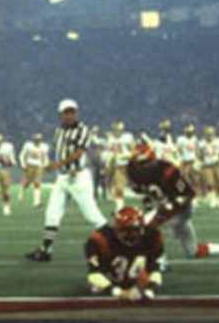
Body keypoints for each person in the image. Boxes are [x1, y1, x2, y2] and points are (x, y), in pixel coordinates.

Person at [126, 140, 219, 268]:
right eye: (138, 164)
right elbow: (147, 195)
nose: (140, 168)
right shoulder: (133, 171)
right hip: (166, 206)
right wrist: (154, 208)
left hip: (181, 209)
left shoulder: (167, 170)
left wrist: (165, 211)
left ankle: (159, 260)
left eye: (143, 164)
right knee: (193, 251)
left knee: (146, 226)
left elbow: (187, 196)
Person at [26, 99, 106, 262]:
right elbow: (60, 151)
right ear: (61, 114)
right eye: (66, 112)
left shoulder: (83, 130)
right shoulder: (59, 131)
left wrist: (57, 164)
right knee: (52, 213)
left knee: (92, 215)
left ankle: (115, 246)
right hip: (62, 177)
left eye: (72, 112)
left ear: (76, 113)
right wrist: (54, 164)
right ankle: (46, 249)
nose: (69, 115)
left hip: (78, 177)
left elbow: (79, 152)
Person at [84, 206, 163, 302]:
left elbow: (155, 269)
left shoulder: (151, 237)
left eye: (135, 230)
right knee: (97, 287)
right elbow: (93, 274)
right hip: (110, 281)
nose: (131, 234)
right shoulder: (101, 239)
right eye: (126, 231)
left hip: (138, 282)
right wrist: (118, 292)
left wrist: (149, 289)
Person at [108, 121, 135, 212]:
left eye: (120, 129)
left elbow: (134, 151)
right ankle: (119, 208)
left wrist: (125, 156)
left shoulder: (127, 137)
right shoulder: (111, 139)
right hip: (119, 166)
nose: (118, 131)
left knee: (140, 187)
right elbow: (112, 154)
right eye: (116, 129)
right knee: (118, 188)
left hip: (130, 165)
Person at [18, 132, 48, 209]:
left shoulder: (44, 146)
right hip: (30, 165)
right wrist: (23, 164)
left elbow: (45, 157)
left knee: (37, 183)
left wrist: (45, 165)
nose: (37, 141)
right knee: (26, 183)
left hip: (39, 166)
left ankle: (37, 202)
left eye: (39, 140)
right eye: (36, 139)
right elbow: (22, 155)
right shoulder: (28, 145)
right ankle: (21, 193)